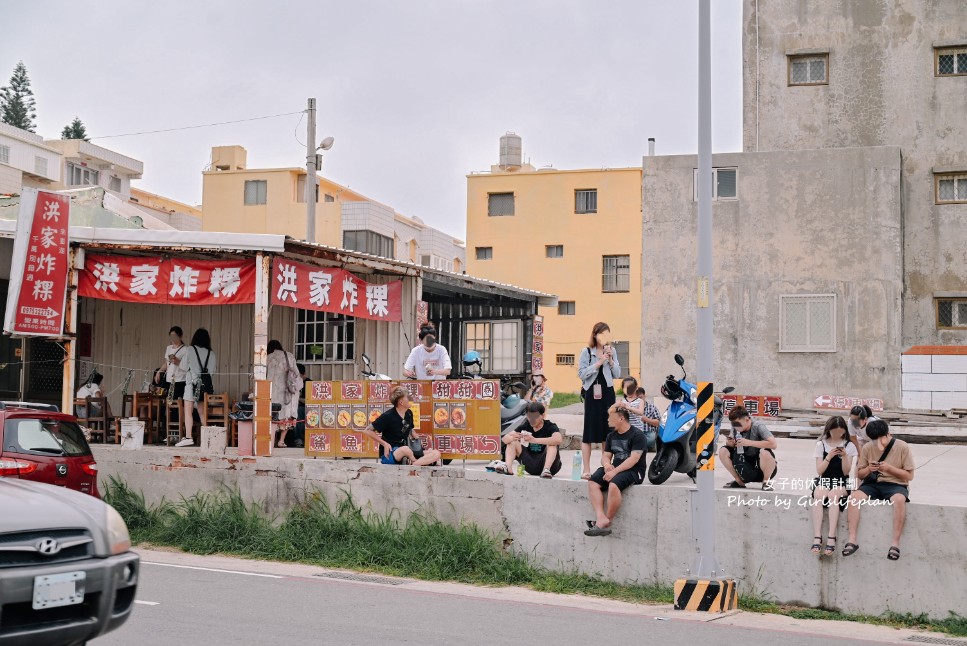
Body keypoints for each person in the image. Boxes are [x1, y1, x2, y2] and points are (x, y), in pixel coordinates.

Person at [843, 420, 915, 561]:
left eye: (882, 439)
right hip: (873, 484)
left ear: (888, 434)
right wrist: (869, 469)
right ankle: (852, 540)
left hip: (896, 485)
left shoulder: (902, 447)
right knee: (853, 498)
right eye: (875, 440)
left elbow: (909, 476)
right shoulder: (868, 448)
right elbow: (860, 474)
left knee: (899, 500)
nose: (879, 444)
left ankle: (895, 544)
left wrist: (889, 469)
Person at [584, 405, 647, 537]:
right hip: (615, 469)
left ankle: (608, 520)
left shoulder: (638, 435)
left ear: (621, 419)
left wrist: (614, 472)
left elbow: (634, 459)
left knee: (614, 485)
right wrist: (607, 464)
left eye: (610, 417)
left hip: (635, 470)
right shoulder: (611, 436)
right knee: (593, 483)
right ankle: (601, 518)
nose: (607, 420)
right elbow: (606, 455)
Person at [577, 322, 620, 479]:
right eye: (601, 334)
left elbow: (617, 373)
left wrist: (610, 360)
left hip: (608, 393)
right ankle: (586, 469)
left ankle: (605, 467)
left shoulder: (612, 351)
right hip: (592, 394)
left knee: (607, 432)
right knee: (589, 432)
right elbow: (581, 374)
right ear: (595, 335)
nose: (604, 337)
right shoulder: (587, 352)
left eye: (607, 334)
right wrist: (599, 362)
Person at [809, 416, 857, 557]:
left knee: (833, 496)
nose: (837, 436)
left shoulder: (850, 446)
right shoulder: (821, 445)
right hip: (825, 479)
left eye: (840, 433)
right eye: (834, 432)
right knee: (818, 496)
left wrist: (844, 457)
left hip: (842, 481)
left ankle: (832, 536)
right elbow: (820, 471)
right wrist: (829, 457)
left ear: (844, 432)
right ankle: (817, 536)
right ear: (828, 430)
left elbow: (846, 472)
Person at [363, 386, 441, 466]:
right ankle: (420, 462)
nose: (411, 399)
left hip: (409, 450)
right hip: (391, 453)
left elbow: (410, 429)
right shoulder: (387, 416)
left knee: (435, 453)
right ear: (401, 402)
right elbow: (367, 430)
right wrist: (384, 444)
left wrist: (418, 441)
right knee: (405, 450)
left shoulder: (409, 413)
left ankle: (413, 463)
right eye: (408, 397)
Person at [495, 402, 562, 478]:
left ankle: (546, 470)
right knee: (512, 441)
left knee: (552, 443)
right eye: (530, 416)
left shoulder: (550, 426)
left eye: (535, 416)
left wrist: (534, 440)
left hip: (551, 467)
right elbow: (504, 439)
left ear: (543, 416)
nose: (532, 419)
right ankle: (508, 468)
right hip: (530, 465)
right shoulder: (526, 425)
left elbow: (558, 439)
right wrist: (513, 438)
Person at [719, 405, 778, 490]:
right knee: (723, 450)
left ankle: (766, 482)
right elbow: (730, 442)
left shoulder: (758, 426)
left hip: (761, 467)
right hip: (744, 467)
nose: (735, 427)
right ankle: (739, 481)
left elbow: (773, 444)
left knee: (765, 452)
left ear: (747, 420)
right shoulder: (735, 428)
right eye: (734, 424)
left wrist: (749, 443)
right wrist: (730, 443)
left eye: (737, 424)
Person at [177, 328, 216, 448]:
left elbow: (183, 366)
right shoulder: (211, 353)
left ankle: (188, 437)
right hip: (205, 386)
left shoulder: (190, 349)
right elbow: (213, 371)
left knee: (188, 411)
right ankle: (207, 438)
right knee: (202, 412)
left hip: (191, 385)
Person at [266, 340, 302, 448]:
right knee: (287, 415)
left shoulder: (268, 357)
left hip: (273, 391)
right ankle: (281, 441)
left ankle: (271, 441)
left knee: (272, 415)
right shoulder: (289, 356)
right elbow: (296, 374)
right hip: (288, 391)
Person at [161, 326, 188, 403]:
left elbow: (187, 366)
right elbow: (167, 363)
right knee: (169, 403)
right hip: (169, 379)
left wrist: (178, 362)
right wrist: (159, 371)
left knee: (178, 403)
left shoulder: (186, 349)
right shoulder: (169, 348)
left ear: (180, 336)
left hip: (180, 380)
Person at [636, 386, 661, 452]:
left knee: (651, 438)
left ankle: (640, 447)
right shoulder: (632, 407)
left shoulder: (652, 407)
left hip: (648, 433)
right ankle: (645, 447)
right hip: (636, 433)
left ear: (644, 396)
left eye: (641, 397)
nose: (639, 400)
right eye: (637, 398)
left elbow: (657, 423)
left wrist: (646, 419)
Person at [292, 363, 307, 448]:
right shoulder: (290, 382)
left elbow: (310, 401)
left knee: (299, 412)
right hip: (289, 407)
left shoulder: (308, 383)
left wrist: (298, 399)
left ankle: (299, 439)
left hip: (302, 407)